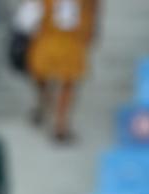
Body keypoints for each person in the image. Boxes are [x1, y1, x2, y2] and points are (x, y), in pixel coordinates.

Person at [27, 0, 98, 142]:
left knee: (68, 81)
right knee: (39, 75)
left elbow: (93, 6)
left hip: (72, 39)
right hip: (47, 35)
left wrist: (92, 27)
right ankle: (45, 101)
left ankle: (60, 125)